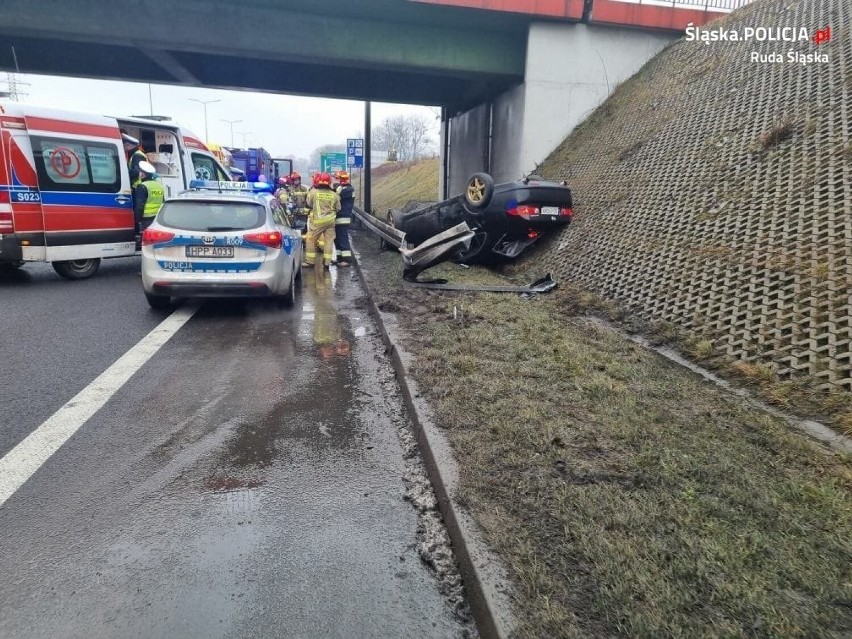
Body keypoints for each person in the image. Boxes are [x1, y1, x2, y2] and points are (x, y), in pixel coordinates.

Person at [303, 172, 340, 269]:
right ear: (329, 182)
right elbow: (338, 208)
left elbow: (309, 205)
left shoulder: (313, 192)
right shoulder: (334, 194)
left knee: (310, 239)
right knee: (329, 241)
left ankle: (310, 262)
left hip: (318, 222)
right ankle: (327, 263)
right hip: (331, 221)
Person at [134, 161, 165, 232]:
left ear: (143, 174)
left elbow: (139, 206)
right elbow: (163, 202)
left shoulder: (143, 186)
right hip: (157, 218)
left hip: (146, 219)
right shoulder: (159, 186)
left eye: (140, 172)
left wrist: (137, 220)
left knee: (145, 239)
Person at [333, 171, 355, 267]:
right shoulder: (342, 188)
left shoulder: (348, 189)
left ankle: (347, 260)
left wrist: (335, 186)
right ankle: (340, 258)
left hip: (343, 217)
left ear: (340, 179)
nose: (335, 180)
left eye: (336, 178)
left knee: (342, 238)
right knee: (337, 239)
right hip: (338, 217)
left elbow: (337, 194)